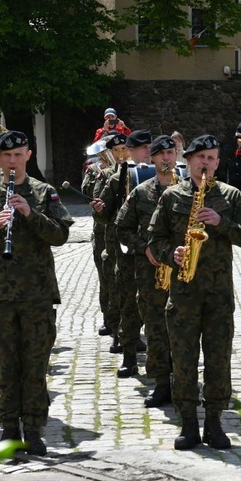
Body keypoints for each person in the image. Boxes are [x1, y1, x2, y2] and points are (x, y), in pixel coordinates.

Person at [0, 130, 73, 456]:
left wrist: (30, 214)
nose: (12, 161)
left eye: (17, 155)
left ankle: (34, 428)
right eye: (6, 156)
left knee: (35, 365)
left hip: (37, 296)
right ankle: (9, 427)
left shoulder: (44, 192)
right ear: (0, 158)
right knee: (4, 364)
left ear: (28, 155)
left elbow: (60, 235)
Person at [148, 134, 241, 450]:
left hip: (219, 293)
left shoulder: (230, 196)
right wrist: (172, 254)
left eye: (211, 158)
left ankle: (215, 423)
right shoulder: (171, 196)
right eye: (199, 157)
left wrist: (221, 222)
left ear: (218, 163)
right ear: (189, 160)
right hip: (183, 292)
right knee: (183, 359)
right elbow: (155, 240)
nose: (205, 163)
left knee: (218, 359)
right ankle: (189, 425)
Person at [115, 135, 179, 408]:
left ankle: (183, 381)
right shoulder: (140, 192)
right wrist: (146, 248)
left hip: (181, 269)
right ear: (151, 159)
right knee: (155, 326)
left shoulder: (188, 190)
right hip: (149, 270)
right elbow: (122, 228)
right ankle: (161, 383)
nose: (166, 158)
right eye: (160, 154)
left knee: (182, 328)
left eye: (171, 153)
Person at [93, 130, 152, 369]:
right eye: (142, 148)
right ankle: (127, 351)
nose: (148, 151)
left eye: (150, 147)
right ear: (131, 150)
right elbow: (104, 213)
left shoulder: (164, 174)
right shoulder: (120, 177)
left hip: (156, 247)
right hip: (127, 248)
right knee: (128, 299)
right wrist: (100, 209)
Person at [89, 133, 128, 341]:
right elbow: (98, 203)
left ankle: (127, 328)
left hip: (128, 236)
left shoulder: (135, 172)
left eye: (124, 149)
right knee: (109, 281)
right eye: (117, 150)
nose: (121, 154)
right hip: (106, 234)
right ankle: (112, 324)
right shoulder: (105, 175)